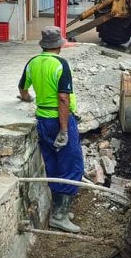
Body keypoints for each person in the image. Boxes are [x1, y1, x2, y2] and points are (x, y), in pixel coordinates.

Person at [18, 26, 85, 233]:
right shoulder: (61, 64)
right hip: (59, 120)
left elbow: (23, 89)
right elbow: (63, 98)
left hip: (43, 120)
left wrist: (28, 99)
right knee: (73, 165)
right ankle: (60, 216)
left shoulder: (33, 63)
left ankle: (59, 208)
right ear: (59, 45)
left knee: (53, 163)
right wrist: (64, 130)